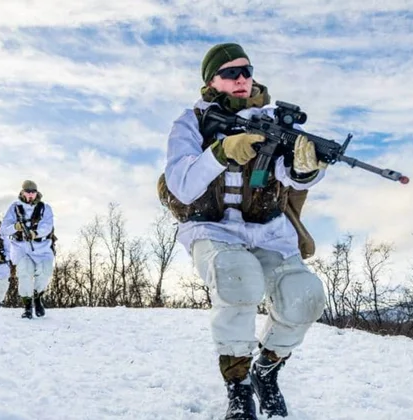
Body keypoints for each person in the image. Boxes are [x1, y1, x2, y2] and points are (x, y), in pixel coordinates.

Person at [158, 42, 327, 419]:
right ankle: (237, 386)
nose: (241, 79)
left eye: (246, 71)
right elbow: (182, 184)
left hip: (268, 231)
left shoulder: (275, 121)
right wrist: (221, 152)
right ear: (211, 80)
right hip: (213, 229)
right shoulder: (191, 122)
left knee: (305, 297)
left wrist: (306, 166)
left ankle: (265, 371)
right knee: (238, 280)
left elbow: (290, 175)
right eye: (230, 73)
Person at [0, 180, 55, 319]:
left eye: (33, 192)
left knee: (45, 272)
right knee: (24, 273)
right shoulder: (15, 207)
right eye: (28, 192)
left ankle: (37, 297)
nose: (30, 195)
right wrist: (15, 227)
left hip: (42, 247)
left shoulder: (45, 208)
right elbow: (3, 229)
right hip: (21, 248)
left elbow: (47, 226)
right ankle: (27, 306)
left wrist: (35, 233)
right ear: (22, 192)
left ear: (36, 193)